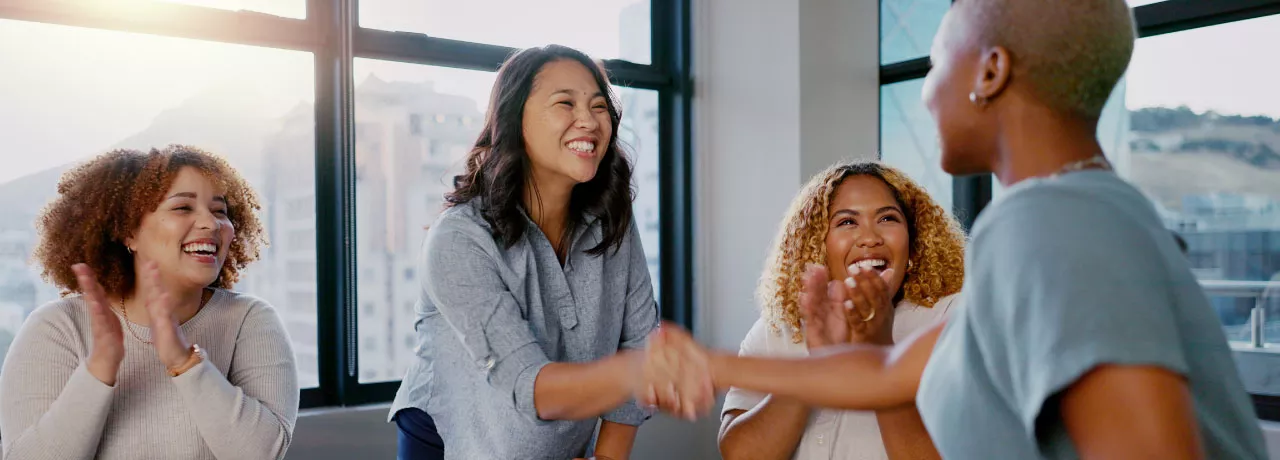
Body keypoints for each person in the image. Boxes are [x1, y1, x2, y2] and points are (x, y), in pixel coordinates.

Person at [642, 0, 1268, 458]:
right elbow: (882, 373)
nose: (924, 93)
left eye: (939, 60)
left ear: (990, 73)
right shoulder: (1075, 213)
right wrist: (698, 365)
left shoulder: (1053, 222)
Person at [388, 45, 661, 460]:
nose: (588, 120)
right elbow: (530, 384)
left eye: (599, 106)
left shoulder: (611, 219)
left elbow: (640, 341)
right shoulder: (458, 238)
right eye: (565, 103)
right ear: (515, 121)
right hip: (452, 445)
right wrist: (643, 372)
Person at [0, 145, 299, 460]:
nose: (211, 224)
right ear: (129, 231)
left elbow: (262, 455)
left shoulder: (250, 321)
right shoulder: (56, 328)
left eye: (220, 210)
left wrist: (185, 363)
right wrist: (99, 369)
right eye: (183, 207)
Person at [718, 162, 964, 460]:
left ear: (913, 244)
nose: (870, 237)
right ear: (818, 244)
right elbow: (740, 454)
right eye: (847, 222)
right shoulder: (779, 327)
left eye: (887, 218)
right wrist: (815, 363)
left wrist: (879, 352)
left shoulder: (951, 320)